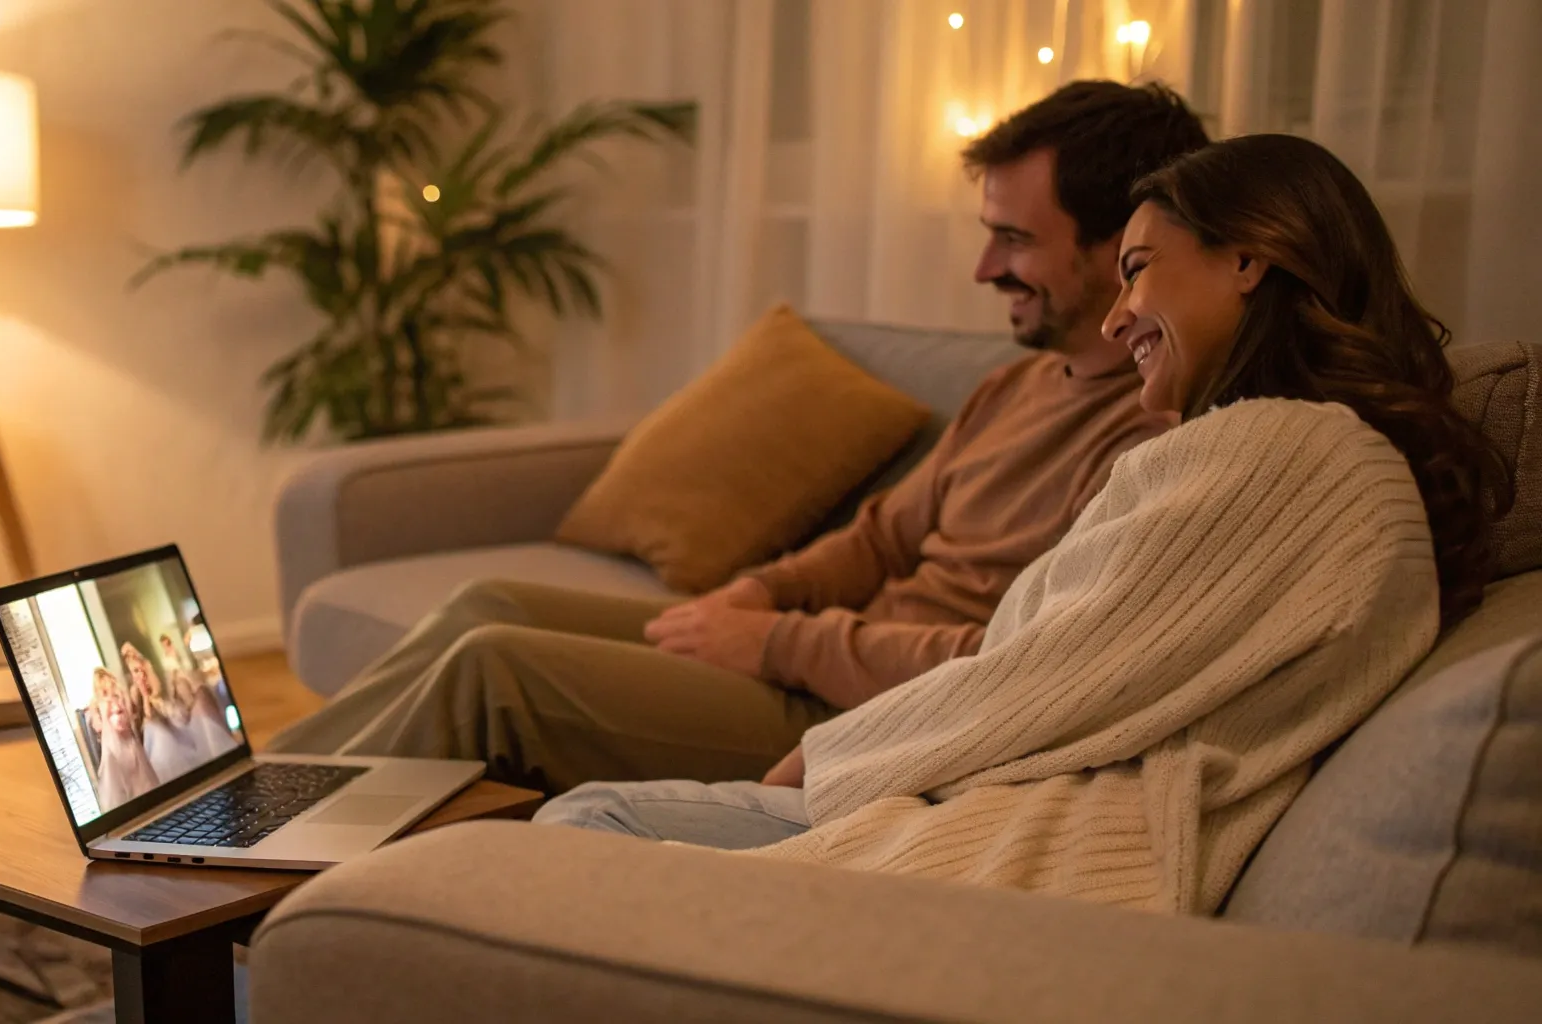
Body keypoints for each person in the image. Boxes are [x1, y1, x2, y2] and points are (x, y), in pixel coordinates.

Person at [534, 133, 1510, 915]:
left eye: (1139, 270)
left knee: (580, 831)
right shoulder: (1276, 451)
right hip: (980, 783)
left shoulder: (1287, 454)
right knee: (575, 813)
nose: (1120, 313)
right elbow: (1060, 653)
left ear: (1247, 258)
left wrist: (834, 753)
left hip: (1041, 830)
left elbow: (1052, 675)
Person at [267, 81, 1205, 795]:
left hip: (858, 711)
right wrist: (756, 593)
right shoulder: (1016, 383)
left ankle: (243, 879)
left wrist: (776, 642)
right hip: (813, 654)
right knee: (487, 604)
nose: (983, 267)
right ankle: (230, 808)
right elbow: (880, 538)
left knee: (494, 669)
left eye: (1015, 241)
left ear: (1119, 242)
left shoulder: (1150, 441)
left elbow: (1012, 664)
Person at [86, 666, 160, 809]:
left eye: (111, 688)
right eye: (105, 691)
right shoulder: (96, 704)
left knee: (139, 774)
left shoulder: (119, 698)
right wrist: (102, 712)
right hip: (112, 745)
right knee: (118, 777)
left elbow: (129, 715)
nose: (110, 695)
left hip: (128, 742)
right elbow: (98, 726)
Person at [120, 641, 193, 780]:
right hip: (149, 735)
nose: (139, 674)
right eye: (134, 671)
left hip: (168, 727)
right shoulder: (134, 692)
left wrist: (152, 696)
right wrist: (144, 694)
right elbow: (145, 717)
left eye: (140, 670)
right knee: (156, 735)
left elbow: (168, 710)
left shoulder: (156, 683)